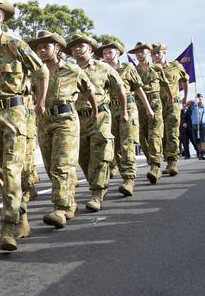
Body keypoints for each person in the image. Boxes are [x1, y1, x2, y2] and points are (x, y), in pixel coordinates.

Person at [0, 0, 49, 246]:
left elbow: (42, 71)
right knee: (1, 172)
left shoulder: (14, 44)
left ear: (0, 17)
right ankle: (22, 219)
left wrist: (40, 102)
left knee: (14, 170)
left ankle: (9, 227)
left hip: (16, 113)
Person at [28, 31, 95, 228]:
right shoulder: (35, 72)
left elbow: (88, 91)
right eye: (38, 47)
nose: (41, 50)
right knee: (50, 166)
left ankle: (60, 208)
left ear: (57, 48)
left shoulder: (72, 70)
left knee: (61, 166)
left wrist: (95, 111)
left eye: (45, 46)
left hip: (66, 120)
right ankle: (70, 201)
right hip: (44, 121)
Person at [66, 33, 126, 212]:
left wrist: (123, 111)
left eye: (81, 45)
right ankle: (97, 185)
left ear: (90, 49)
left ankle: (97, 194)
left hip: (100, 116)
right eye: (74, 46)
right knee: (83, 158)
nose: (77, 48)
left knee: (99, 155)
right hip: (77, 118)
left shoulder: (103, 68)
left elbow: (120, 89)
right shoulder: (67, 69)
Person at [97, 39, 154, 196]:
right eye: (104, 53)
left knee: (127, 143)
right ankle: (124, 174)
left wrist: (148, 108)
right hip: (109, 109)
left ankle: (129, 179)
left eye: (110, 52)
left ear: (118, 52)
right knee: (115, 146)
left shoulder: (127, 67)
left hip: (128, 108)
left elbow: (138, 89)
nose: (107, 55)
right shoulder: (101, 71)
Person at [130, 42, 172, 183]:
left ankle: (155, 166)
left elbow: (165, 84)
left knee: (154, 134)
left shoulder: (156, 68)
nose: (139, 54)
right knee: (142, 136)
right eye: (137, 52)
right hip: (138, 105)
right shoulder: (133, 70)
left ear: (148, 52)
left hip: (155, 103)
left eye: (142, 51)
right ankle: (151, 161)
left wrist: (171, 99)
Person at [151, 43, 188, 176]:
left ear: (164, 52)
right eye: (153, 54)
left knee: (172, 131)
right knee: (160, 134)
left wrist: (184, 98)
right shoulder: (150, 69)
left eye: (158, 53)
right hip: (156, 105)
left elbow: (185, 80)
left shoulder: (175, 66)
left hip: (173, 104)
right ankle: (166, 161)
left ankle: (172, 162)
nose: (156, 56)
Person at [190, 93, 205, 159]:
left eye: (200, 98)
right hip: (195, 125)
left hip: (204, 124)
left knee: (204, 138)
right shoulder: (193, 105)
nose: (199, 99)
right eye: (198, 98)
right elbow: (186, 103)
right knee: (197, 139)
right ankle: (199, 153)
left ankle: (204, 153)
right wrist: (195, 101)